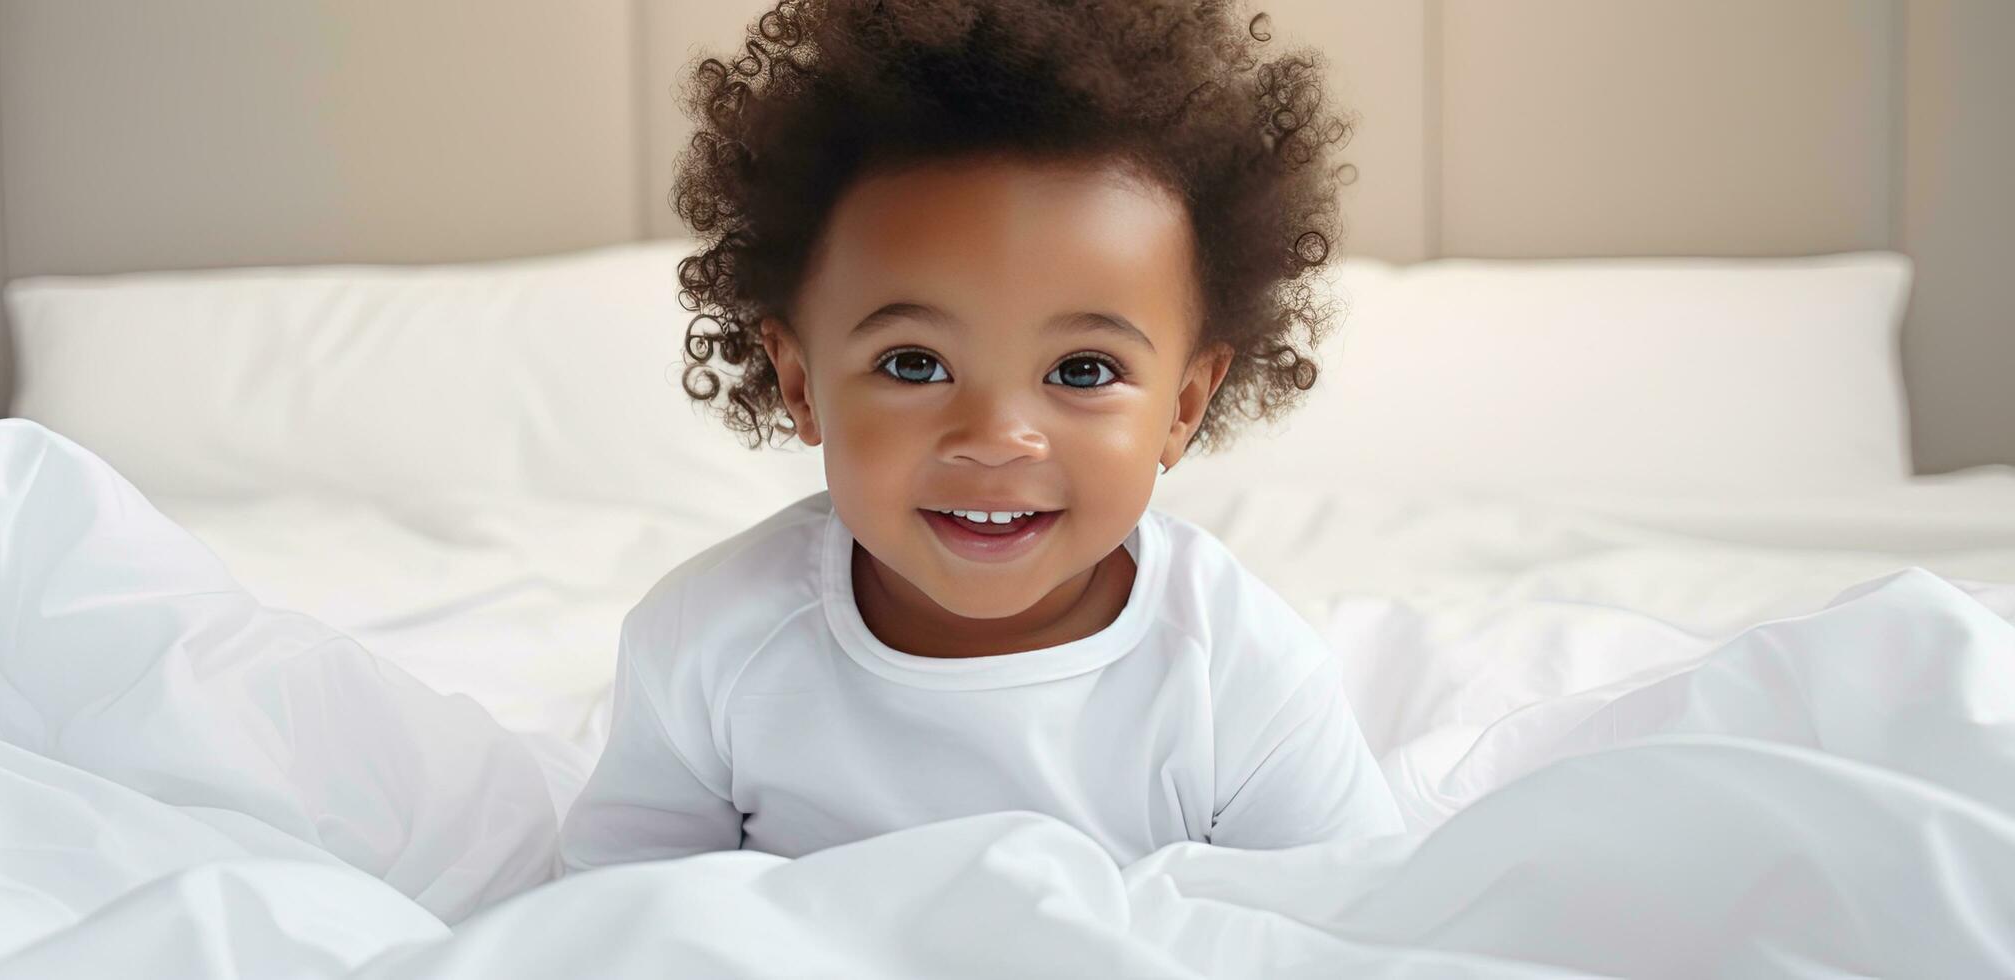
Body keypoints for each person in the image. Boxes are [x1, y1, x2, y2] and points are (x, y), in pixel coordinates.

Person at [559, 0, 1401, 872]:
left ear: (1183, 407)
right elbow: (609, 916)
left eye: (1081, 371)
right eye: (914, 364)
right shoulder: (710, 641)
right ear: (799, 380)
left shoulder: (1237, 669)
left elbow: (1346, 918)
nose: (997, 439)